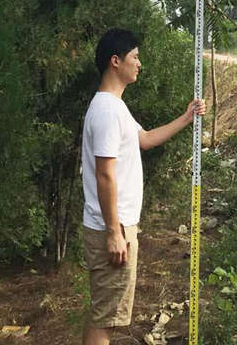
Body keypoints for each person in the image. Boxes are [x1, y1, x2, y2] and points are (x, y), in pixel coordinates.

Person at [81, 28, 206, 345]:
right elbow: (104, 174)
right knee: (105, 321)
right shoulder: (108, 110)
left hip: (116, 225)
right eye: (134, 57)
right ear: (115, 61)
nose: (140, 64)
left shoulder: (115, 107)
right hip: (113, 227)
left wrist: (186, 117)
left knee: (103, 314)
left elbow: (146, 139)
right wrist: (114, 232)